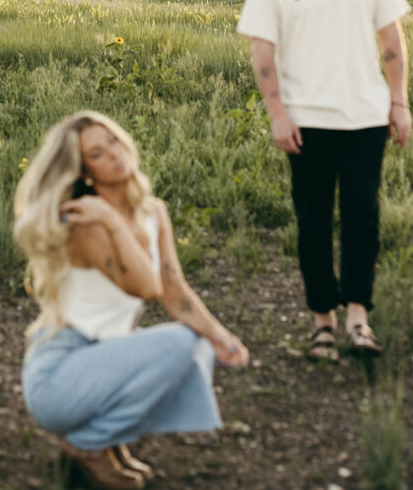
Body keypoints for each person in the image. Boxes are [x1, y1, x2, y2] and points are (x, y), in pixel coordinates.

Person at [14, 110, 249, 489]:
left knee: (199, 346)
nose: (114, 152)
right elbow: (146, 288)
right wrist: (109, 218)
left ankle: (107, 441)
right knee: (181, 342)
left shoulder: (153, 212)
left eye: (113, 140)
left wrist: (220, 336)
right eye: (97, 153)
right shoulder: (85, 222)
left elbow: (173, 288)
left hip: (101, 360)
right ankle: (86, 445)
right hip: (60, 370)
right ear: (83, 170)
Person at [237, 0, 412, 361]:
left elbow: (392, 40)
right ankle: (322, 323)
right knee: (312, 221)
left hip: (365, 118)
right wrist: (277, 113)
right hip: (307, 120)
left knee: (363, 218)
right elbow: (262, 52)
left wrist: (399, 102)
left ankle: (359, 320)